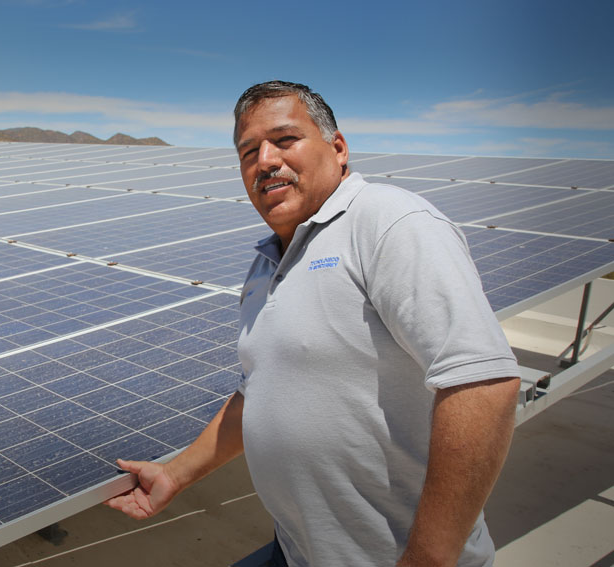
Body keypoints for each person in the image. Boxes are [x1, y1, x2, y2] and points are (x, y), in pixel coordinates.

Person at [106, 81, 521, 567]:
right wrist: (174, 475)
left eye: (285, 140)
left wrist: (429, 559)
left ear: (338, 148)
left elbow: (483, 384)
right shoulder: (266, 263)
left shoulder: (388, 221)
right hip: (297, 551)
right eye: (248, 151)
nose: (265, 161)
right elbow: (260, 391)